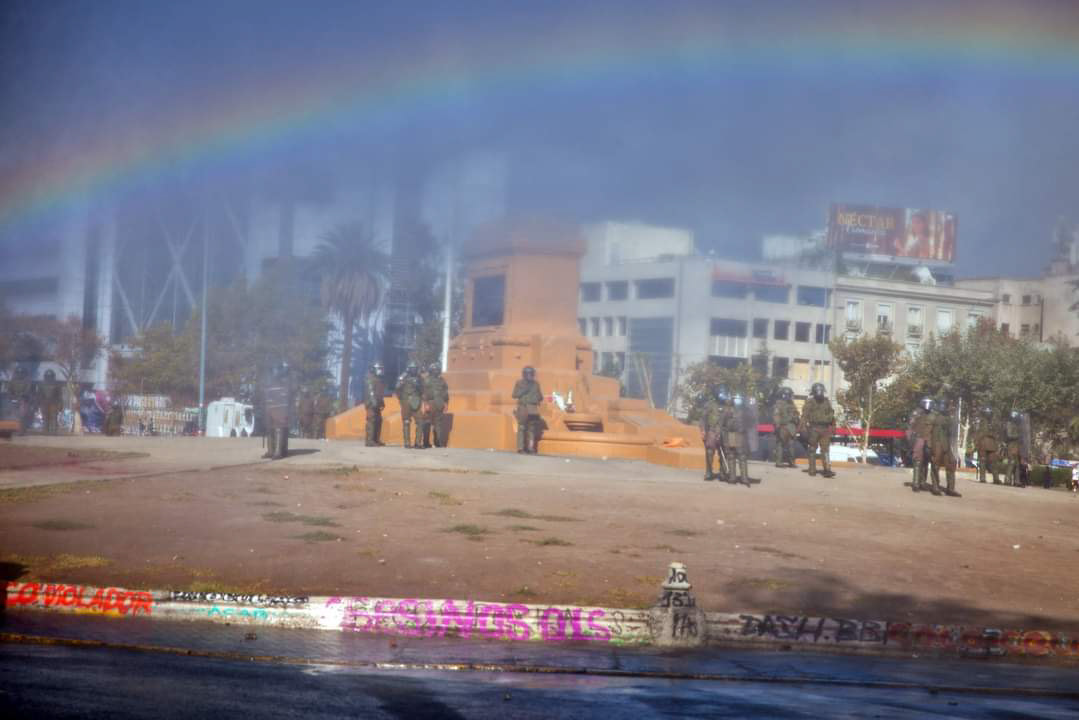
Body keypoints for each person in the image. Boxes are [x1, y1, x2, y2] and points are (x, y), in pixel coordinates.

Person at [799, 383, 836, 477]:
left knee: (825, 450)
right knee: (812, 449)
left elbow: (831, 415)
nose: (819, 393)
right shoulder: (809, 402)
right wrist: (802, 428)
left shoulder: (827, 401)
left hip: (825, 429)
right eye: (817, 391)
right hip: (814, 428)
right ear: (814, 392)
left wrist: (834, 427)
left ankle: (827, 470)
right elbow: (805, 416)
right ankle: (812, 469)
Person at [928, 397, 961, 497]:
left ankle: (950, 488)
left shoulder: (948, 417)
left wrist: (952, 415)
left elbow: (952, 431)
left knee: (951, 464)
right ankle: (935, 487)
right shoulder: (933, 416)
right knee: (935, 465)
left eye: (945, 405)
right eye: (943, 405)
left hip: (946, 444)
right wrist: (929, 445)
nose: (945, 407)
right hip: (936, 442)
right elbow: (927, 431)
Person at [262, 362, 291, 459]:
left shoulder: (286, 382)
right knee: (269, 429)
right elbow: (267, 396)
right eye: (273, 370)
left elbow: (288, 396)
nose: (274, 372)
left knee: (279, 429)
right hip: (270, 408)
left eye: (276, 370)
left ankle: (279, 451)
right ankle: (271, 450)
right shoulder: (269, 384)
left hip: (281, 409)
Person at [512, 366, 543, 454]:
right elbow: (514, 395)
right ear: (524, 374)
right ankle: (520, 448)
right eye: (528, 374)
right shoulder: (519, 383)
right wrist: (525, 390)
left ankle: (530, 448)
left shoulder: (536, 384)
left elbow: (540, 397)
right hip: (523, 407)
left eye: (531, 374)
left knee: (531, 429)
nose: (530, 375)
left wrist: (536, 399)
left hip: (533, 408)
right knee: (521, 428)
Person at [699, 385, 727, 482]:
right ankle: (709, 472)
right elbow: (703, 418)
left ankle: (723, 473)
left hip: (724, 432)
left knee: (725, 452)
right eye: (721, 393)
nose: (723, 395)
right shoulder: (709, 405)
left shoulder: (727, 406)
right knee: (710, 452)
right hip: (712, 431)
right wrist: (703, 430)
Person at [907, 396, 934, 492]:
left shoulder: (932, 414)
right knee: (918, 461)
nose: (928, 405)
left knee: (926, 461)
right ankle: (916, 483)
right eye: (926, 403)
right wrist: (910, 441)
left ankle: (923, 482)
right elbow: (910, 428)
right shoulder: (916, 413)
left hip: (929, 440)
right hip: (919, 438)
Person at [722, 392, 751, 486]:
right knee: (731, 455)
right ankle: (732, 477)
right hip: (731, 434)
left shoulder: (745, 410)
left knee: (742, 456)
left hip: (740, 434)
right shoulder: (727, 409)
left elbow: (751, 422)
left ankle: (744, 478)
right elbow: (722, 422)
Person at [421, 362, 450, 448]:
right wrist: (425, 404)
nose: (436, 371)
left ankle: (438, 443)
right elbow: (423, 393)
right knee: (427, 423)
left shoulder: (442, 381)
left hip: (440, 403)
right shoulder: (426, 380)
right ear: (431, 370)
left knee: (438, 425)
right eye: (434, 370)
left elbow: (446, 393)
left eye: (437, 369)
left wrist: (446, 404)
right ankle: (426, 442)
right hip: (430, 403)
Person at [396, 362, 424, 448]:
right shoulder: (403, 377)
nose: (414, 370)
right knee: (406, 422)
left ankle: (418, 443)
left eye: (415, 368)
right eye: (412, 368)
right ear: (409, 369)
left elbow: (423, 389)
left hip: (416, 402)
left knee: (420, 422)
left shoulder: (419, 378)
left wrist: (418, 386)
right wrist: (401, 400)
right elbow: (397, 389)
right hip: (406, 402)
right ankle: (407, 443)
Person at [972, 406, 1002, 484]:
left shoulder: (993, 422)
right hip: (983, 442)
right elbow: (977, 432)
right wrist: (976, 443)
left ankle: (996, 478)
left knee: (993, 462)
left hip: (992, 443)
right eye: (987, 413)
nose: (988, 414)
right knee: (982, 461)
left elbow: (996, 433)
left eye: (989, 413)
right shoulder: (980, 421)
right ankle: (982, 477)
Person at [772, 387, 799, 468]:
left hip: (787, 427)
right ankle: (789, 462)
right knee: (786, 445)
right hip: (785, 427)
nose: (789, 396)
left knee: (784, 445)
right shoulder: (784, 404)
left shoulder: (781, 404)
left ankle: (782, 462)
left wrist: (777, 426)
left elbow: (796, 415)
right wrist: (777, 426)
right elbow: (776, 416)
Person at [1003, 409, 1030, 488]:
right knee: (1011, 462)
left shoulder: (1018, 426)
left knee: (1018, 464)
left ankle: (1017, 481)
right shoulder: (1009, 424)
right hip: (1012, 445)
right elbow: (1009, 435)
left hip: (1018, 446)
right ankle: (1007, 480)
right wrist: (1018, 436)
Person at [364, 362, 386, 447]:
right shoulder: (370, 378)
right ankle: (369, 441)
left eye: (381, 368)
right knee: (371, 421)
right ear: (374, 369)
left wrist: (381, 402)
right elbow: (371, 392)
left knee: (378, 421)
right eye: (379, 368)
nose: (381, 370)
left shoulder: (378, 379)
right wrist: (373, 401)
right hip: (371, 403)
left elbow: (379, 393)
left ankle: (376, 440)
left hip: (377, 403)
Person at [42, 369, 63, 435]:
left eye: (50, 376)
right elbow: (39, 395)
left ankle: (54, 431)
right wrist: (38, 403)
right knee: (45, 417)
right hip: (45, 403)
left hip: (54, 403)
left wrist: (60, 404)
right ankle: (46, 431)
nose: (49, 378)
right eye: (48, 376)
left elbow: (60, 396)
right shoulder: (42, 385)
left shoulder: (57, 385)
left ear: (53, 377)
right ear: (45, 376)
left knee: (53, 417)